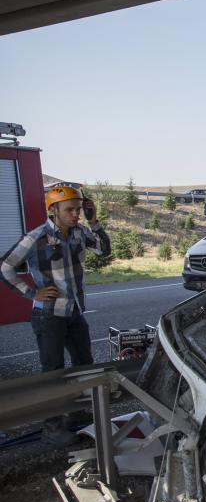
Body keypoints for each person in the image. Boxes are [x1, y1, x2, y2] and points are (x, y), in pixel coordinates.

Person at [1, 184, 109, 444]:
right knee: (54, 371)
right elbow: (5, 267)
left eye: (78, 210)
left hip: (74, 312)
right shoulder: (36, 237)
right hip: (48, 316)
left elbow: (104, 251)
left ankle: (77, 414)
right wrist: (31, 293)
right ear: (54, 210)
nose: (76, 215)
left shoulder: (81, 233)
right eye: (70, 210)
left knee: (84, 364)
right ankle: (52, 427)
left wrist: (94, 221)